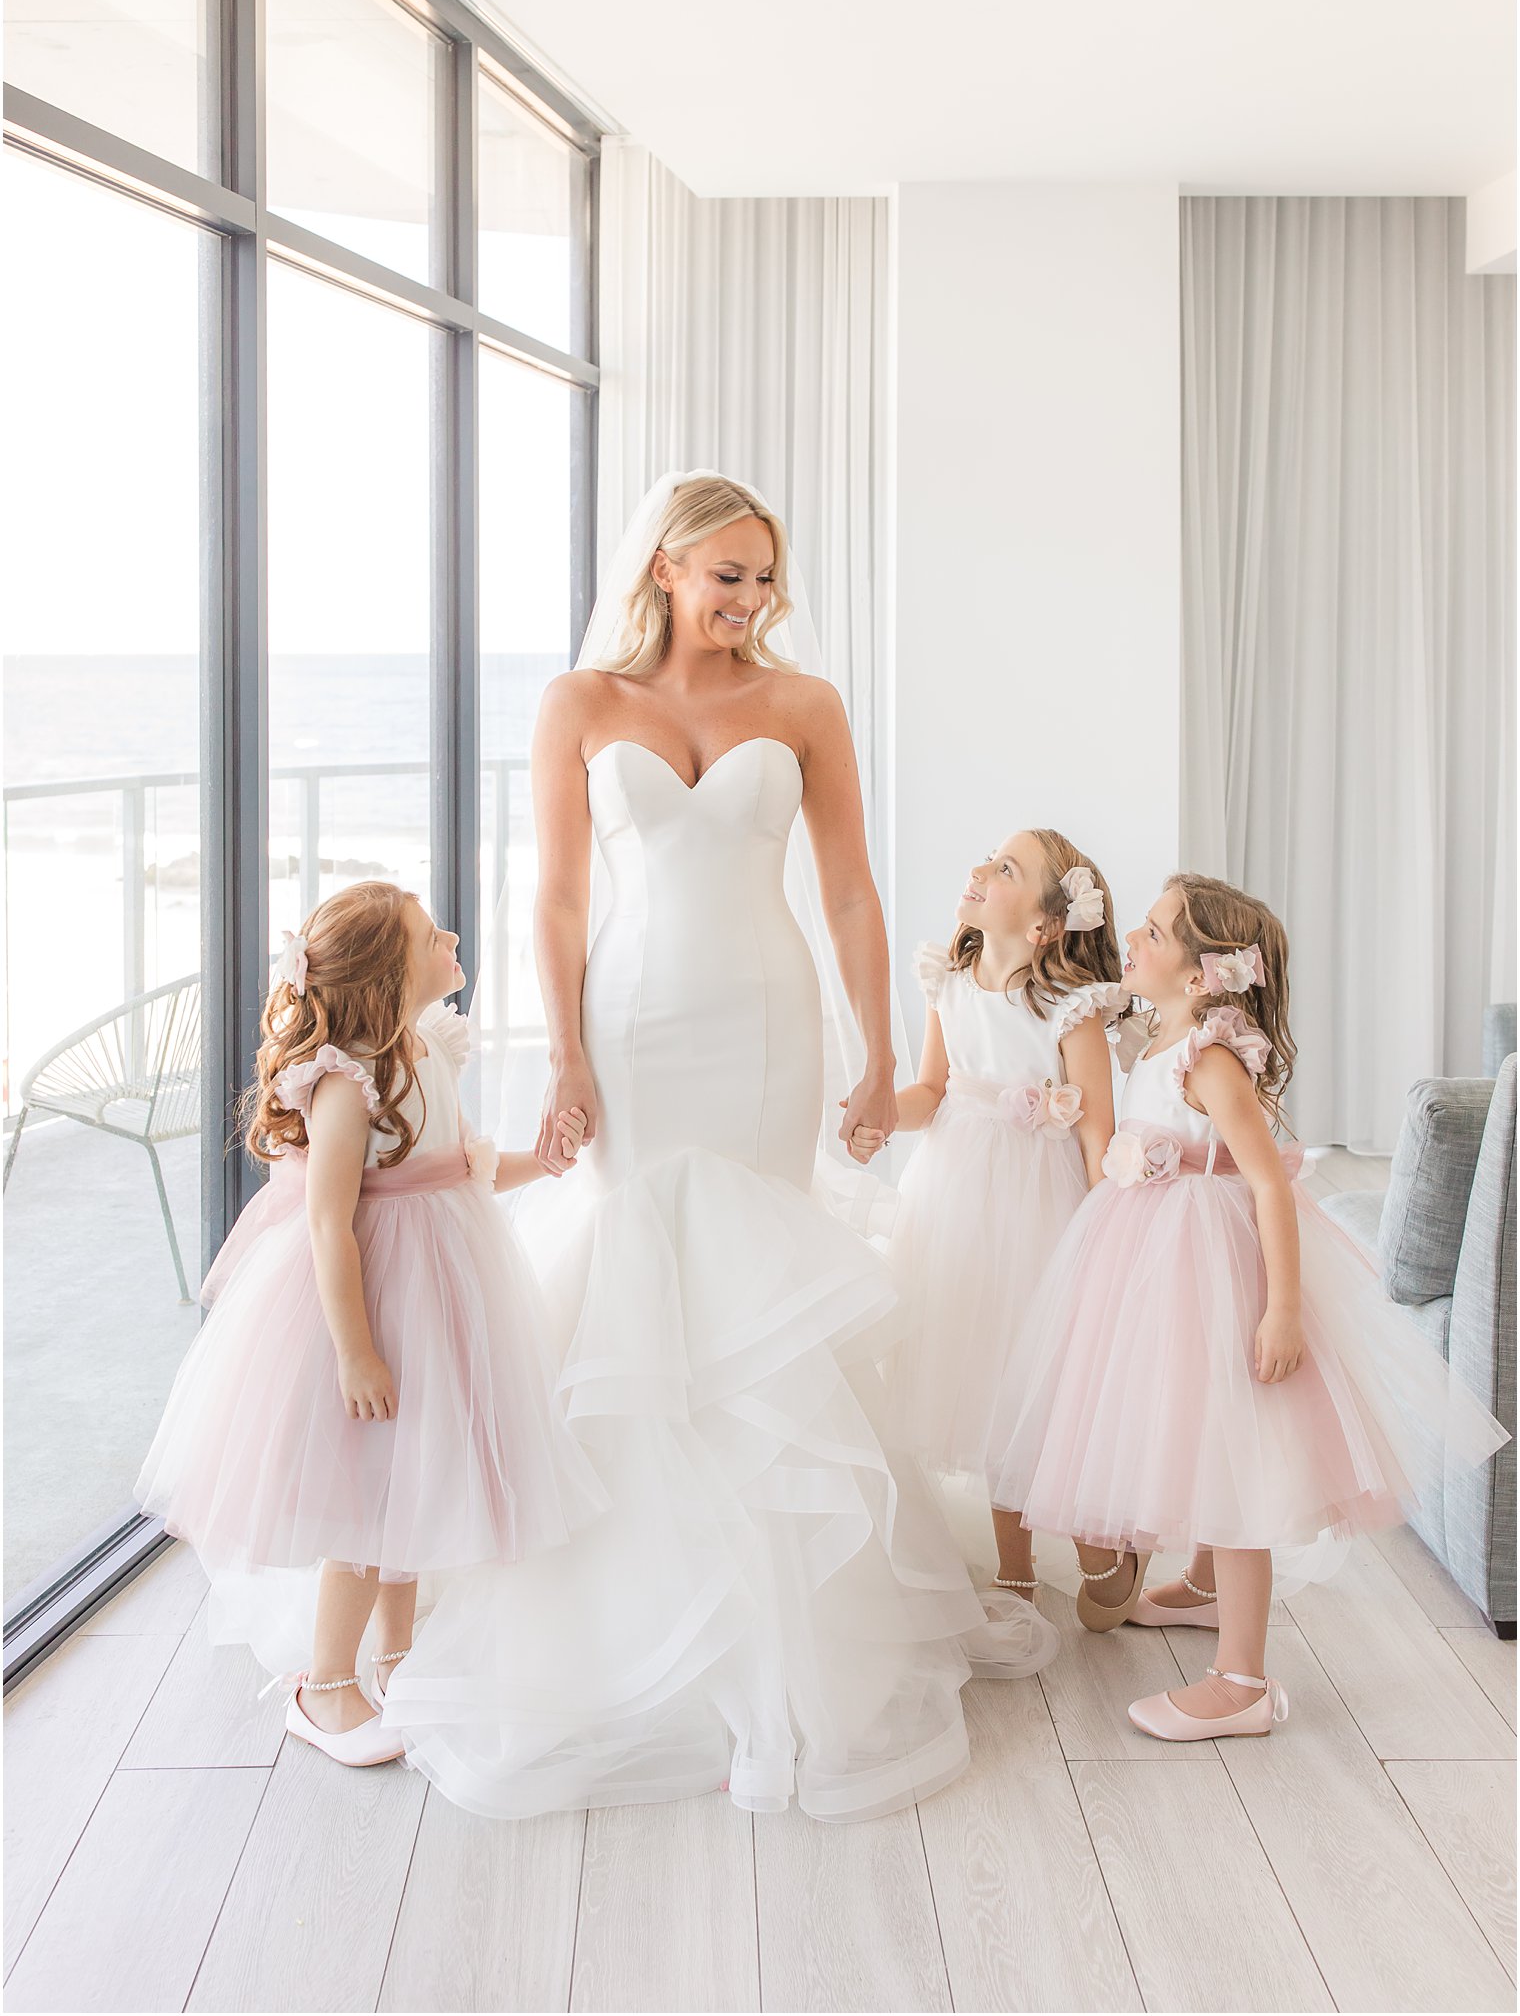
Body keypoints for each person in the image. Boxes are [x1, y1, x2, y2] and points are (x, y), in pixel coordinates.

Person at [386, 470, 1048, 1823]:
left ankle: (787, 1648)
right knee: (640, 1265)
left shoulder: (805, 707)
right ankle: (636, 1617)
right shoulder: (581, 706)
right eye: (725, 575)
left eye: (762, 578)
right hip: (633, 1019)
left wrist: (876, 1044)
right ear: (666, 570)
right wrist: (563, 1053)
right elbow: (559, 896)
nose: (748, 602)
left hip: (764, 1021)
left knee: (759, 1281)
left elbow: (853, 889)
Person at [990, 872, 1509, 1741]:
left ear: (1200, 979)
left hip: (1209, 1257)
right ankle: (1200, 1584)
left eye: (1155, 933)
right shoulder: (1159, 1038)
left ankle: (1244, 1679)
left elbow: (1268, 1183)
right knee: (1193, 1422)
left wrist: (1283, 1310)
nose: (1137, 941)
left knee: (1232, 1447)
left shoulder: (1211, 1060)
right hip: (1149, 1252)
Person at [135, 881, 605, 1766]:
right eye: (433, 935)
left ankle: (399, 1654)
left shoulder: (430, 1048)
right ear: (391, 975)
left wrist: (543, 1163)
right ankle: (322, 1686)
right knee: (367, 1502)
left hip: (446, 1290)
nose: (453, 935)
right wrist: (354, 1349)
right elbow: (327, 1220)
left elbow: (460, 1166)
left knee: (414, 1484)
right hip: (374, 1300)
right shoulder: (347, 1080)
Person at [856, 830, 1122, 1638]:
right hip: (957, 1198)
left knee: (1047, 1376)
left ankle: (1101, 1544)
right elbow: (932, 1091)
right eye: (987, 859)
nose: (979, 869)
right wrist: (877, 1114)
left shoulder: (1068, 1008)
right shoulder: (951, 981)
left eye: (1006, 869)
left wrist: (1112, 1222)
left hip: (1041, 1203)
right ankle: (1015, 1561)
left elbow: (1097, 1134)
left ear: (1045, 925)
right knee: (989, 1376)